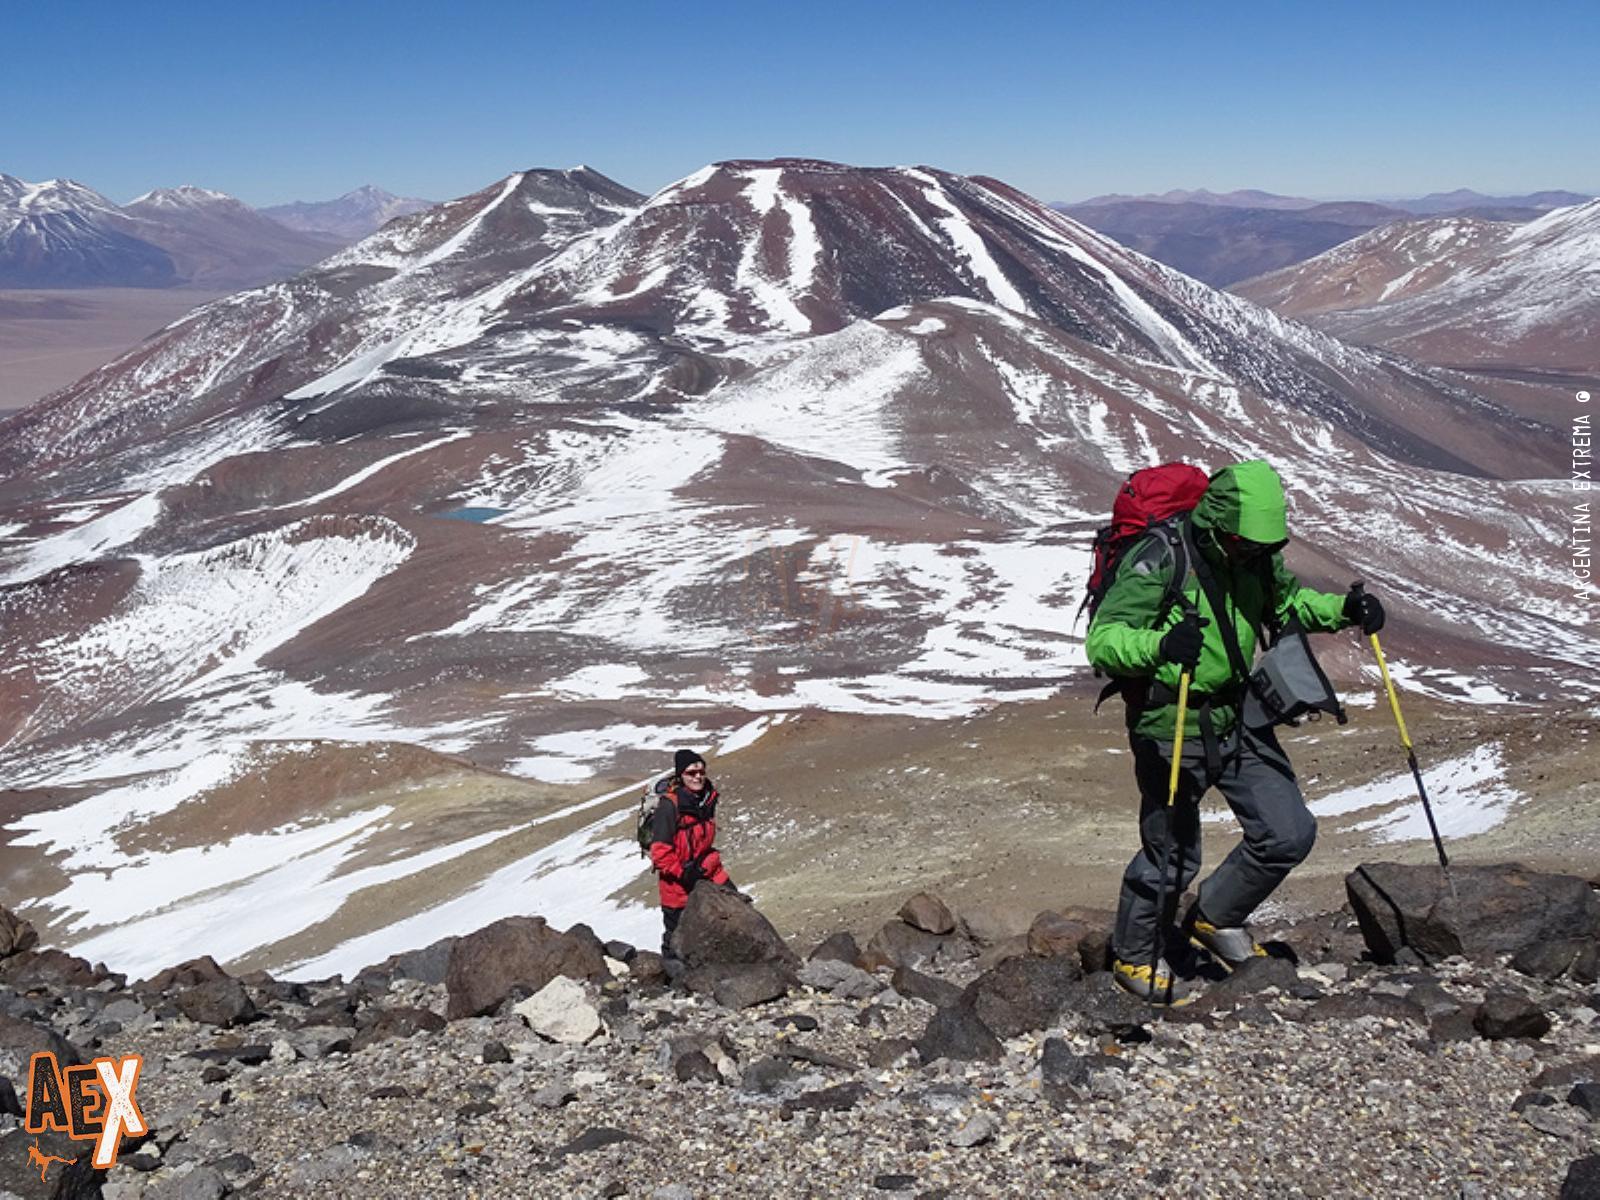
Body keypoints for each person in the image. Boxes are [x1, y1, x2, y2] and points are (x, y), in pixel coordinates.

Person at [1085, 460, 1385, 1003]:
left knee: (1288, 831)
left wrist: (1344, 609)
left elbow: (1288, 603)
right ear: (1219, 525)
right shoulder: (1162, 557)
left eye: (1264, 544)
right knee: (1173, 852)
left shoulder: (1254, 557)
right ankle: (1134, 957)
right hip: (1172, 719)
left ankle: (1216, 917)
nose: (1258, 552)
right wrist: (1159, 647)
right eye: (1246, 542)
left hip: (1238, 713)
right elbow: (1105, 640)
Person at [648, 748, 731, 959]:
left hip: (707, 870)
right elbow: (660, 853)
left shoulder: (708, 799)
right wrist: (683, 873)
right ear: (680, 775)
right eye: (691, 773)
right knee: (677, 935)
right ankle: (670, 978)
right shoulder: (669, 807)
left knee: (737, 907)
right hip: (676, 883)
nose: (698, 777)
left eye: (701, 771)